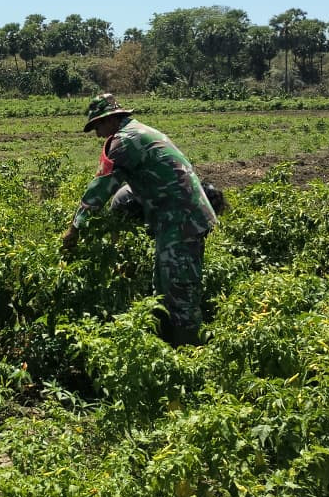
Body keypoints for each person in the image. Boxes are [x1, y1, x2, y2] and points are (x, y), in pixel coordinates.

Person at [62, 94, 217, 345]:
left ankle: (191, 357)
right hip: (177, 217)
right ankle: (171, 347)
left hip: (180, 219)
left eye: (99, 126)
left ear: (111, 119)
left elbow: (101, 187)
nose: (98, 134)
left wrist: (75, 229)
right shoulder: (138, 131)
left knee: (179, 293)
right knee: (164, 288)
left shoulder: (125, 141)